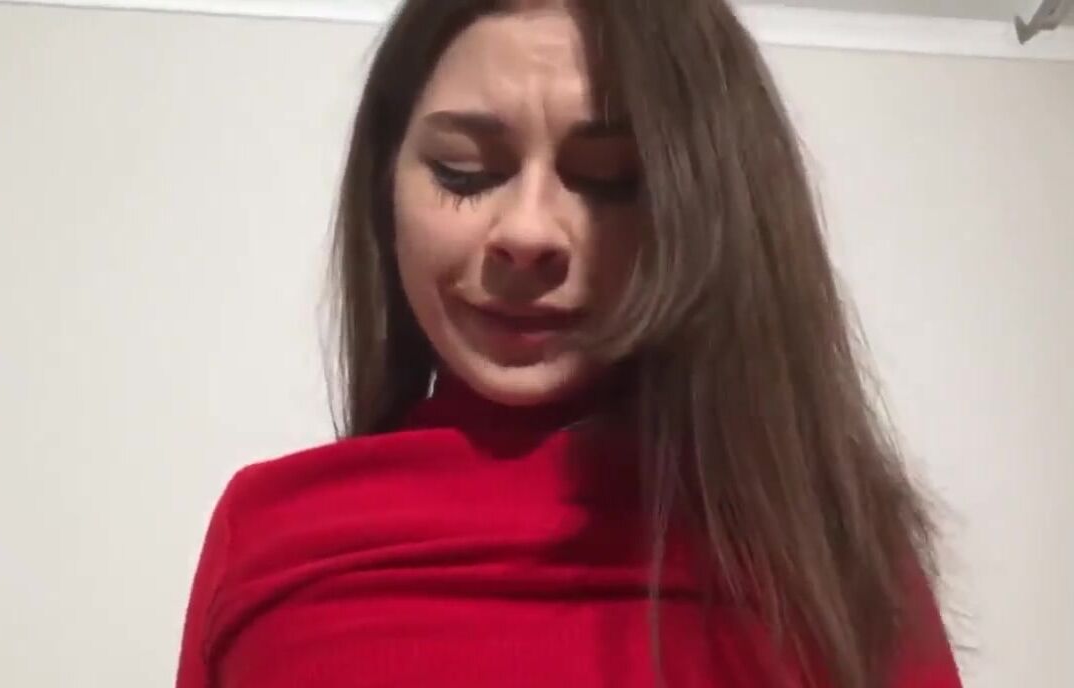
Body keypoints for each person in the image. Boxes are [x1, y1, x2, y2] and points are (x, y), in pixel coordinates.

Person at [176, 1, 964, 686]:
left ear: (710, 210)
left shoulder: (833, 551)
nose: (527, 232)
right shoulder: (270, 536)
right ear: (386, 185)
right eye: (462, 171)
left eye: (609, 179)